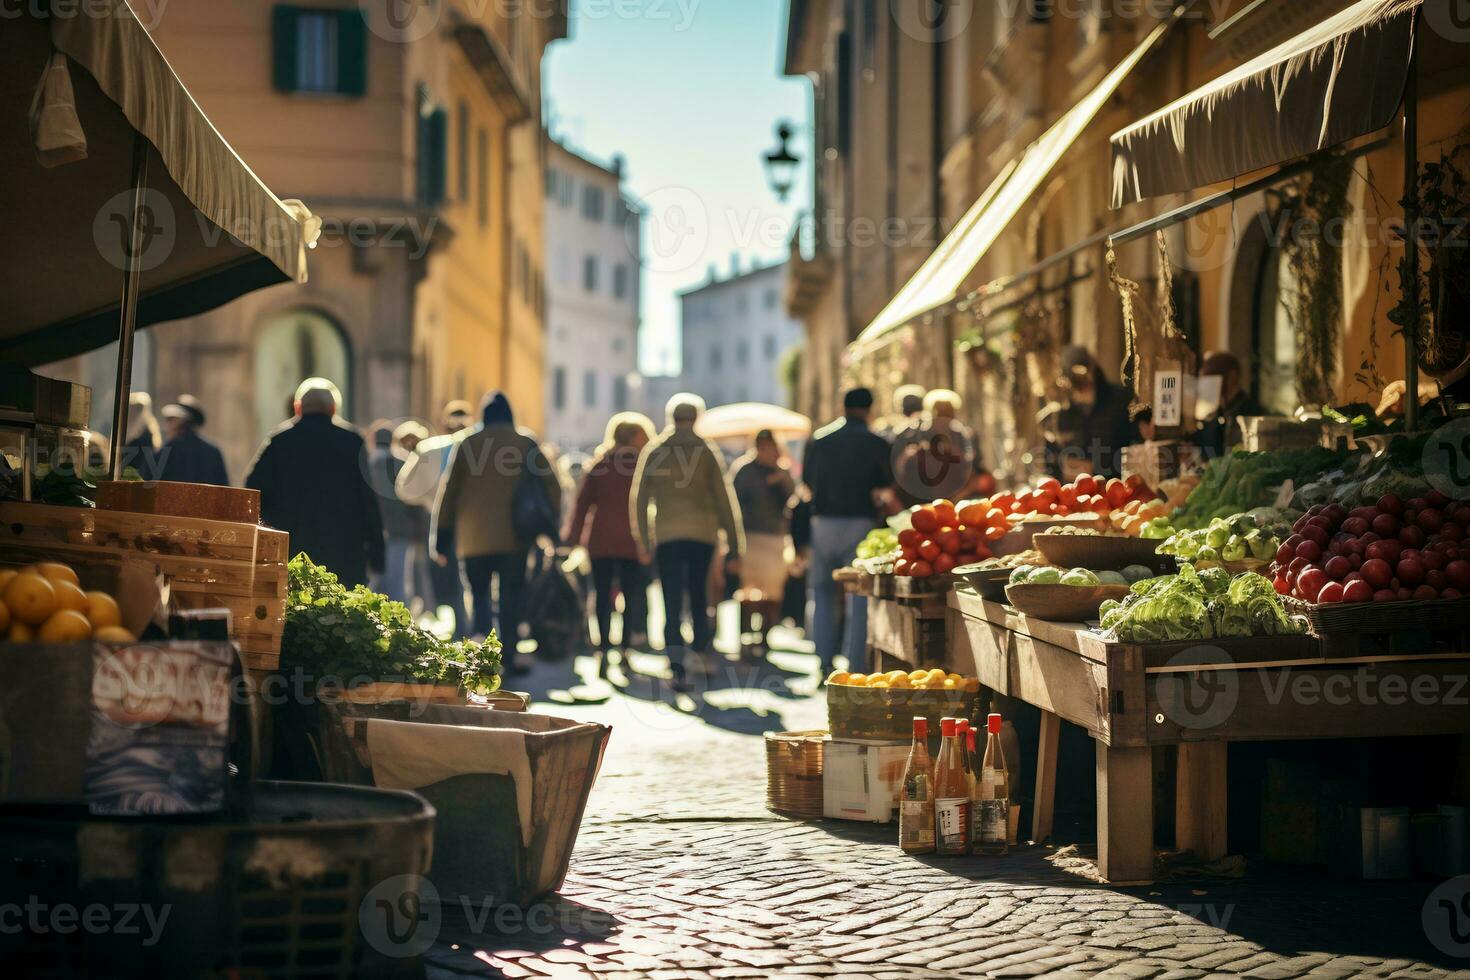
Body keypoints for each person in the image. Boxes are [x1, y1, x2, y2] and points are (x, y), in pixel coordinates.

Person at [431, 392, 562, 666]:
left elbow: (448, 492)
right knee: (511, 596)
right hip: (515, 536)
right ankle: (510, 653)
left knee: (478, 595)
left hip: (473, 538)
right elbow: (552, 485)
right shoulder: (526, 444)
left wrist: (441, 540)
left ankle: (483, 655)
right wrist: (551, 526)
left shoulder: (468, 444)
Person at [631, 393, 744, 690]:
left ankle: (677, 666)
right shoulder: (705, 451)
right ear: (696, 418)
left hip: (667, 536)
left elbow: (639, 499)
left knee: (670, 599)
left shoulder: (655, 450)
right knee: (698, 596)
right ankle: (702, 657)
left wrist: (643, 540)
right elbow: (724, 498)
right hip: (702, 536)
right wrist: (735, 542)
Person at [245, 379, 384, 588]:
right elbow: (368, 500)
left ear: (297, 407)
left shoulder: (280, 441)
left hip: (291, 552)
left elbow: (252, 490)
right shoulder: (353, 443)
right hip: (343, 553)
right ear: (333, 409)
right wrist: (377, 554)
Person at [801, 387, 892, 673]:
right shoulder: (877, 442)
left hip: (823, 522)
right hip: (859, 523)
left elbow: (807, 482)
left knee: (823, 592)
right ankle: (856, 664)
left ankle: (824, 661)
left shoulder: (819, 440)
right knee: (858, 596)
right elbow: (885, 485)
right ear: (869, 408)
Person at [565, 412, 655, 676]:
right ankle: (625, 650)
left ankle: (602, 650)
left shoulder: (600, 464)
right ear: (633, 437)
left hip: (600, 540)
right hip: (633, 541)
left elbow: (583, 504)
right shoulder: (642, 464)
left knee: (601, 596)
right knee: (631, 595)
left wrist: (572, 538)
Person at [396, 401, 473, 634]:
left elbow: (404, 488)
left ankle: (458, 626)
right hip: (471, 521)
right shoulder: (480, 447)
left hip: (437, 518)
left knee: (444, 573)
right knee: (469, 576)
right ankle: (468, 627)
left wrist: (429, 498)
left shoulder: (430, 449)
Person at [730, 429, 795, 655]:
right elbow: (735, 502)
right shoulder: (744, 470)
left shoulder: (783, 471)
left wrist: (780, 480)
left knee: (773, 590)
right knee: (748, 588)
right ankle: (744, 634)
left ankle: (765, 634)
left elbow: (793, 502)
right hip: (749, 536)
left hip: (775, 536)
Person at [366, 421, 429, 605]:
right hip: (400, 528)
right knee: (399, 582)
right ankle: (401, 623)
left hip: (374, 529)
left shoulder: (366, 465)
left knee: (375, 580)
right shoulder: (401, 463)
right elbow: (414, 497)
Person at [891, 389, 981, 506]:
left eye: (948, 413)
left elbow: (972, 471)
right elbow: (899, 467)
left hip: (953, 496)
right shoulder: (914, 433)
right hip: (918, 497)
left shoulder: (961, 435)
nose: (944, 418)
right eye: (939, 412)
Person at [1056, 345, 1135, 477]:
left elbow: (1132, 449)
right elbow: (1061, 453)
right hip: (1080, 490)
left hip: (1117, 486)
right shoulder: (1067, 411)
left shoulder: (1122, 400)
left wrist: (1096, 468)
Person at [1197, 350, 1267, 458]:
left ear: (1232, 376)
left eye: (1212, 377)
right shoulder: (1215, 414)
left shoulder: (1251, 412)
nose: (1208, 385)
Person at [157, 394, 230, 486]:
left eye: (172, 420)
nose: (168, 425)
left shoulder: (165, 452)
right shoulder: (213, 451)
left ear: (184, 423)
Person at [121, 391, 164, 480]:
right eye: (132, 408)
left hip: (139, 478)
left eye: (137, 408)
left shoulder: (147, 433)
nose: (133, 412)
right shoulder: (125, 428)